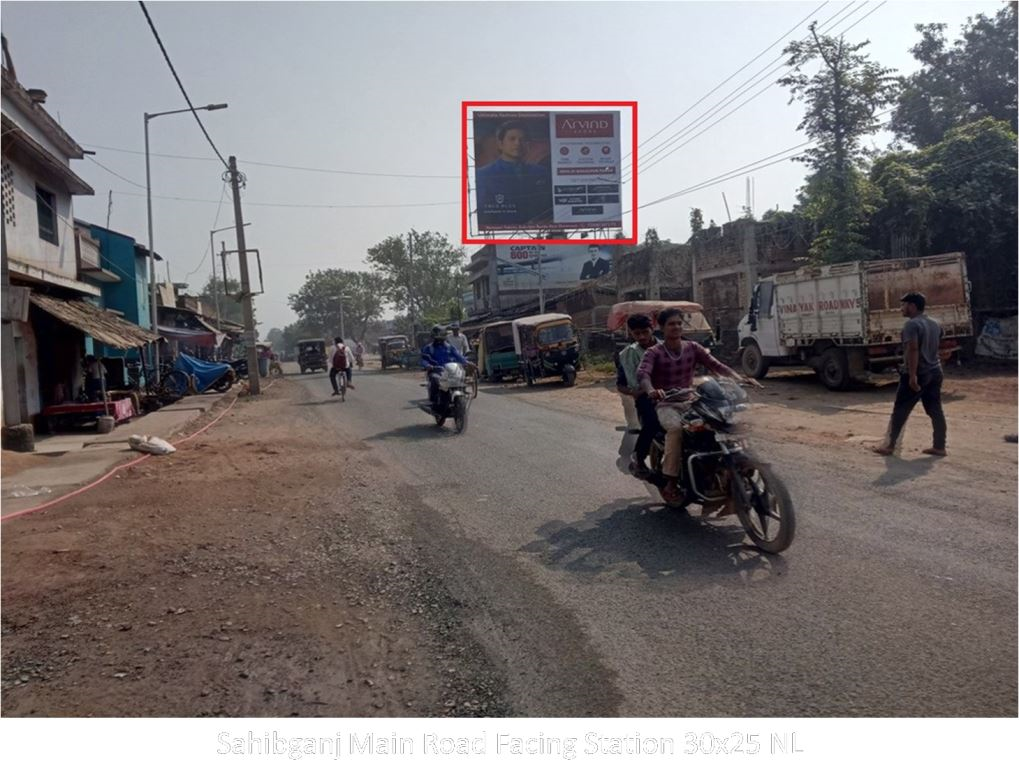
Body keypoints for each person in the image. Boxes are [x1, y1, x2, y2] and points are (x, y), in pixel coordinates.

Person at [637, 307, 757, 502]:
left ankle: (728, 465)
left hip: (692, 400)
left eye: (678, 323)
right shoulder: (654, 352)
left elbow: (716, 365)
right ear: (662, 327)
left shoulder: (692, 347)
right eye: (671, 324)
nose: (676, 327)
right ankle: (671, 481)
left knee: (723, 423)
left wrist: (739, 378)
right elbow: (643, 374)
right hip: (667, 404)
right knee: (675, 429)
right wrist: (651, 390)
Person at [872, 292, 946, 457]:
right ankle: (940, 446)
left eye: (903, 305)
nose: (901, 309)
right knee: (935, 409)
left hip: (918, 372)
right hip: (935, 371)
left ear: (912, 306)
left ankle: (889, 446)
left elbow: (913, 350)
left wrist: (912, 376)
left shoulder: (911, 325)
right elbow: (936, 345)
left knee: (900, 410)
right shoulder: (935, 323)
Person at [475, 120, 550, 227]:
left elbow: (549, 208)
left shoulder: (541, 172)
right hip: (501, 232)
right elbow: (483, 213)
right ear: (500, 144)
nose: (517, 143)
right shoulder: (484, 175)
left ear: (528, 145)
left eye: (522, 139)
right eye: (512, 139)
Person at [615, 314, 661, 479]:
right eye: (637, 334)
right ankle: (638, 458)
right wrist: (634, 392)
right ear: (631, 334)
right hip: (645, 398)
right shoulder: (628, 354)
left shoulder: (667, 346)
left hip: (674, 394)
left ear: (652, 329)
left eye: (644, 332)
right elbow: (621, 384)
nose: (642, 337)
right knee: (653, 422)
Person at [420, 324, 468, 408]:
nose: (440, 338)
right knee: (434, 380)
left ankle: (462, 397)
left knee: (462, 378)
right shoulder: (429, 348)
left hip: (450, 371)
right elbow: (424, 359)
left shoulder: (450, 347)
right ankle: (434, 402)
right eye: (438, 335)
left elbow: (459, 357)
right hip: (436, 372)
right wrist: (427, 365)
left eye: (441, 335)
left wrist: (467, 363)